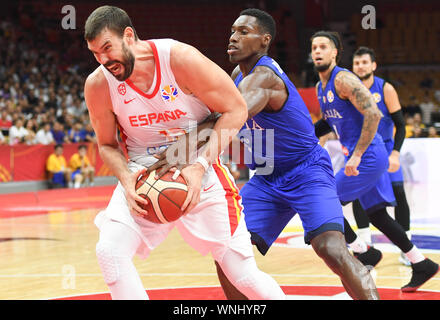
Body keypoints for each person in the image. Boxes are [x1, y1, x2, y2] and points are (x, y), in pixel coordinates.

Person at [151, 9, 378, 300]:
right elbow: (212, 118)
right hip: (268, 177)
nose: (233, 37)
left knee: (330, 248)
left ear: (264, 40)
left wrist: (179, 152)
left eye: (244, 32)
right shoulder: (236, 75)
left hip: (306, 170)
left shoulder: (265, 77)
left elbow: (226, 120)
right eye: (233, 30)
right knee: (226, 252)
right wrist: (174, 150)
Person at [83, 5, 285, 300]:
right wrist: (126, 178)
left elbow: (236, 109)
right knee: (110, 252)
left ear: (128, 35)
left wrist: (200, 165)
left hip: (200, 167)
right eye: (95, 53)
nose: (103, 60)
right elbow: (107, 144)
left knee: (242, 274)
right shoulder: (99, 83)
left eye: (107, 48)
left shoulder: (178, 58)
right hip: (144, 174)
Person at [311, 30, 439, 292]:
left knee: (325, 201)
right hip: (362, 155)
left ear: (335, 52)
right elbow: (328, 124)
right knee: (377, 214)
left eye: (323, 46)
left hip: (369, 154)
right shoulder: (319, 87)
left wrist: (357, 154)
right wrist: (311, 144)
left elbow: (374, 114)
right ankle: (420, 262)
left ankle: (364, 252)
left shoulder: (344, 79)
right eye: (313, 47)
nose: (317, 51)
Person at [351, 46, 413, 266]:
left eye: (364, 62)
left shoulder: (385, 88)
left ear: (373, 65)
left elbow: (401, 126)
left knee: (398, 195)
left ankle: (407, 247)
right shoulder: (348, 89)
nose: (360, 66)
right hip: (362, 151)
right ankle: (366, 246)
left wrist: (395, 153)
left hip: (386, 150)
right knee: (359, 195)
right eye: (357, 63)